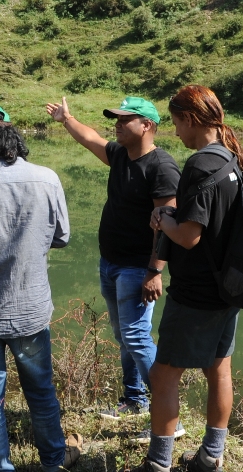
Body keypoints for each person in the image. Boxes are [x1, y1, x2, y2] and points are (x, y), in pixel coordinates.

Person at [0, 105, 81, 472]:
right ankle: (53, 461)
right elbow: (62, 237)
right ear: (13, 137)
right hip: (31, 308)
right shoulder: (48, 178)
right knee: (41, 391)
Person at [44, 96, 180, 427]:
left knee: (136, 336)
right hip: (111, 263)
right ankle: (135, 400)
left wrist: (155, 270)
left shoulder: (161, 167)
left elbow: (167, 224)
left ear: (146, 125)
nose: (116, 125)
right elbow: (90, 138)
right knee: (124, 336)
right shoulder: (120, 155)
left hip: (138, 267)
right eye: (116, 119)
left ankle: (170, 417)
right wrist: (67, 119)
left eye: (124, 119)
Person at [143, 85, 243, 472]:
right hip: (228, 287)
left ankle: (158, 463)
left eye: (176, 123)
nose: (175, 132)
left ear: (190, 120)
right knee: (219, 370)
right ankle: (210, 457)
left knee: (162, 376)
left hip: (196, 293)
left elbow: (189, 236)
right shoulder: (231, 158)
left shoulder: (200, 164)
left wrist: (163, 219)